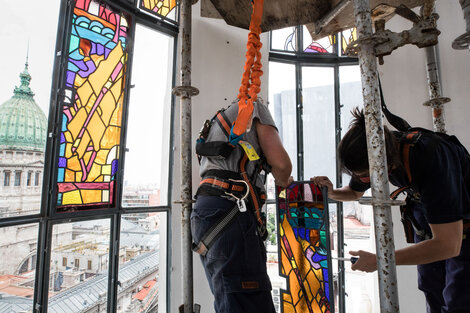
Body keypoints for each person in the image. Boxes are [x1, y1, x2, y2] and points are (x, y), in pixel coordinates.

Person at [312, 107, 470, 313]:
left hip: (462, 228)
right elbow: (354, 192)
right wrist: (332, 192)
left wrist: (381, 260)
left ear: (384, 162)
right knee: (432, 288)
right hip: (430, 221)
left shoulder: (431, 158)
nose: (363, 180)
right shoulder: (377, 149)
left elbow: (449, 245)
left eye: (365, 175)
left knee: (458, 299)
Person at [191, 98, 292, 313]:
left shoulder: (220, 122)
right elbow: (282, 165)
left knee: (231, 300)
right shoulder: (256, 108)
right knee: (249, 302)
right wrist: (284, 180)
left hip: (207, 213)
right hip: (230, 211)